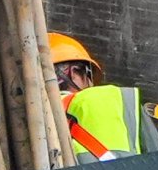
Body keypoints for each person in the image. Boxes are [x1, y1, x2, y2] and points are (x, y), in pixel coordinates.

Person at [48, 30, 149, 161]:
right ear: (73, 72)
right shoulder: (116, 98)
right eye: (89, 75)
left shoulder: (28, 117)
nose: (91, 84)